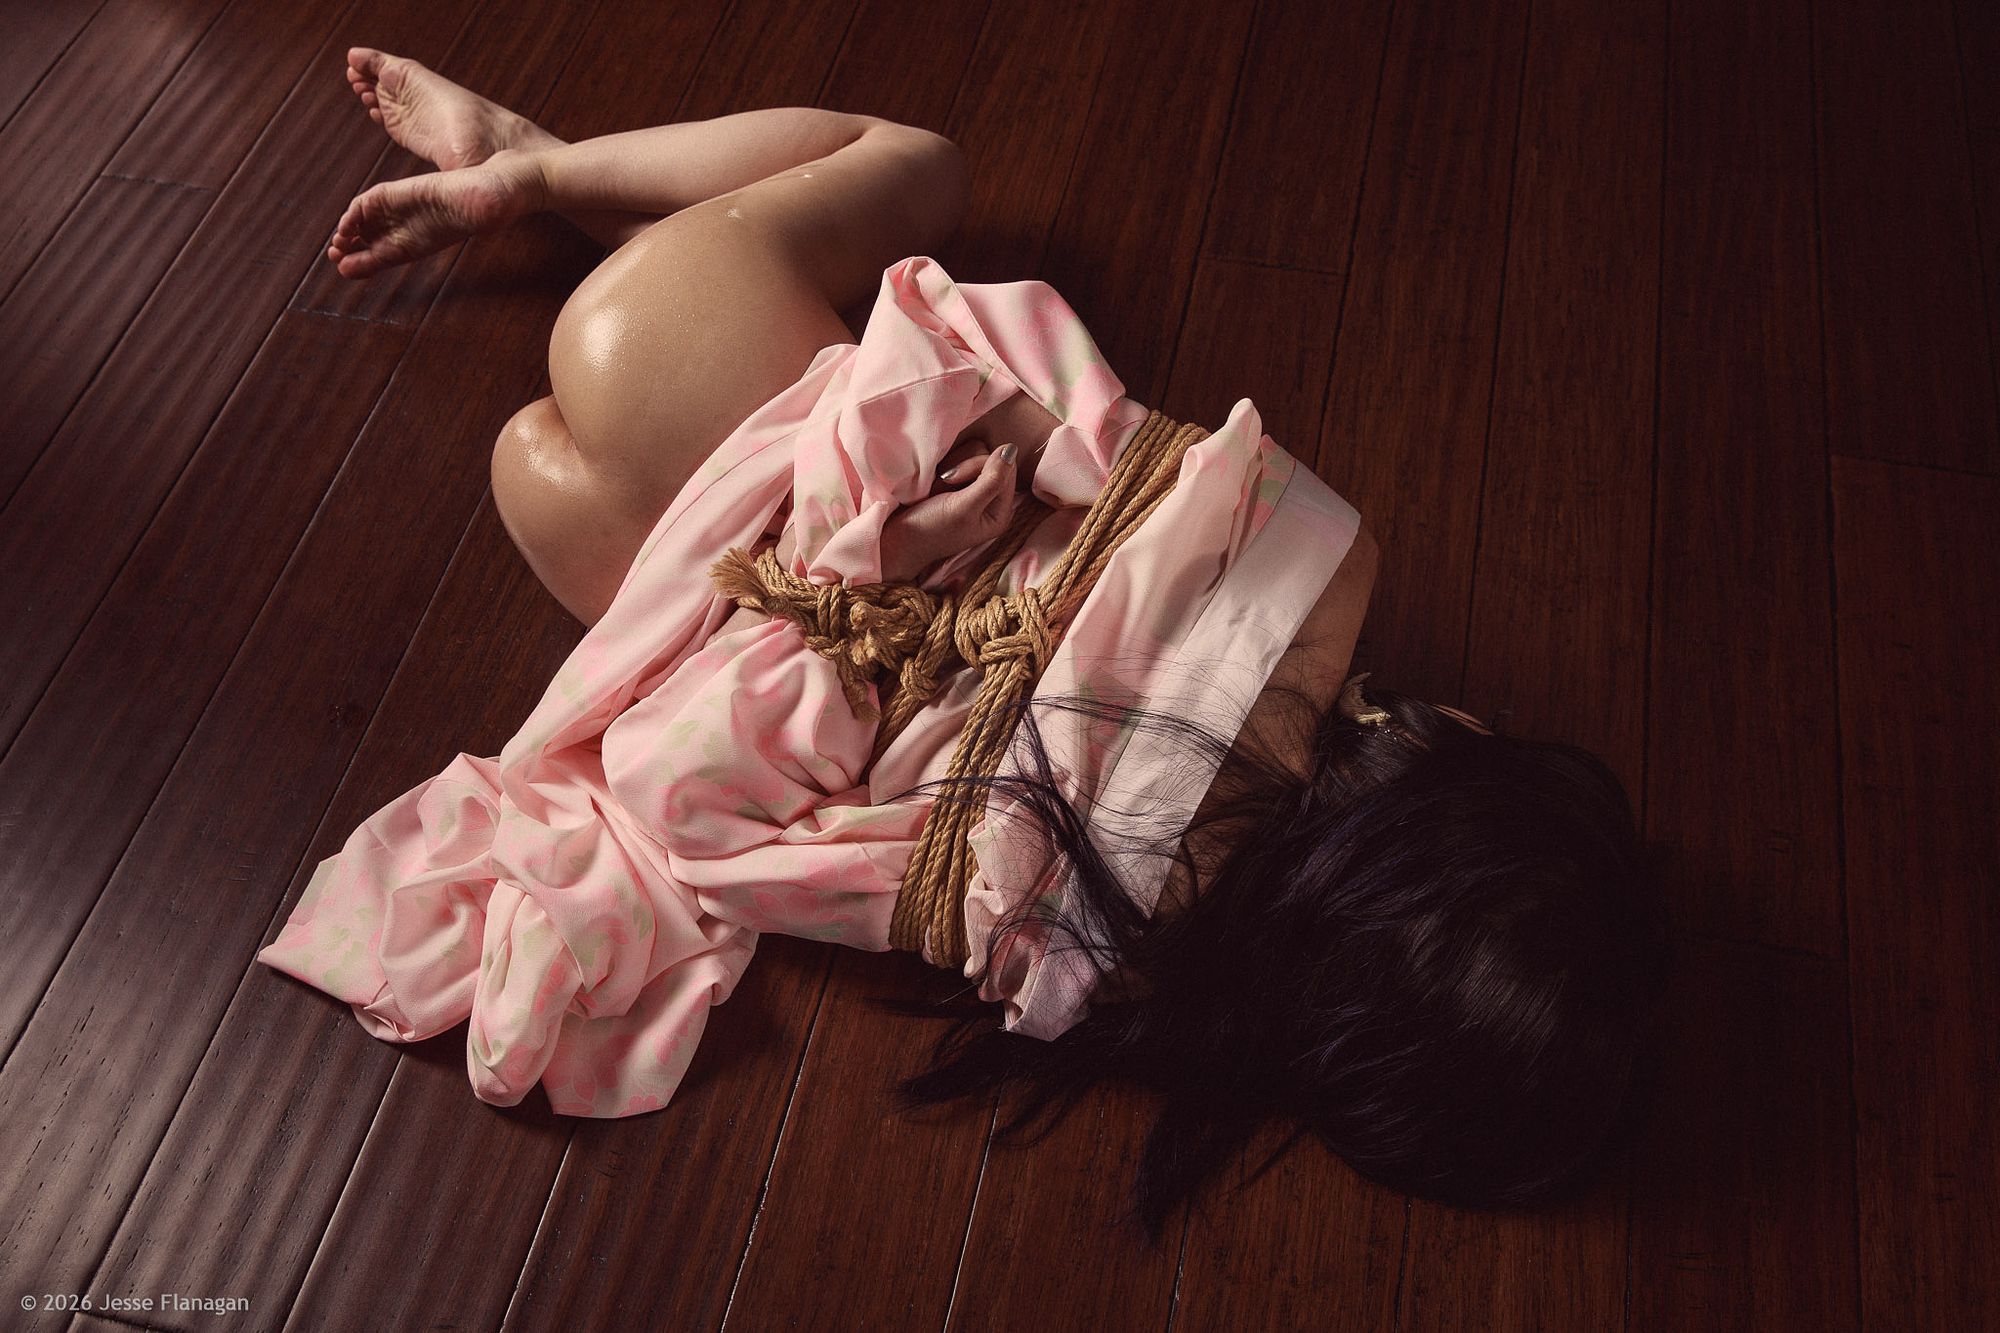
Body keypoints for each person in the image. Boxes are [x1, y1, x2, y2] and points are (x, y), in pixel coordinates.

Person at [262, 49, 1673, 1245]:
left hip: (686, 356)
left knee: (917, 164)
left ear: (1458, 778)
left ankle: (536, 170)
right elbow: (743, 831)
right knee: (540, 454)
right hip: (676, 629)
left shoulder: (1322, 588)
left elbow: (1020, 383)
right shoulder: (1081, 967)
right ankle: (551, 205)